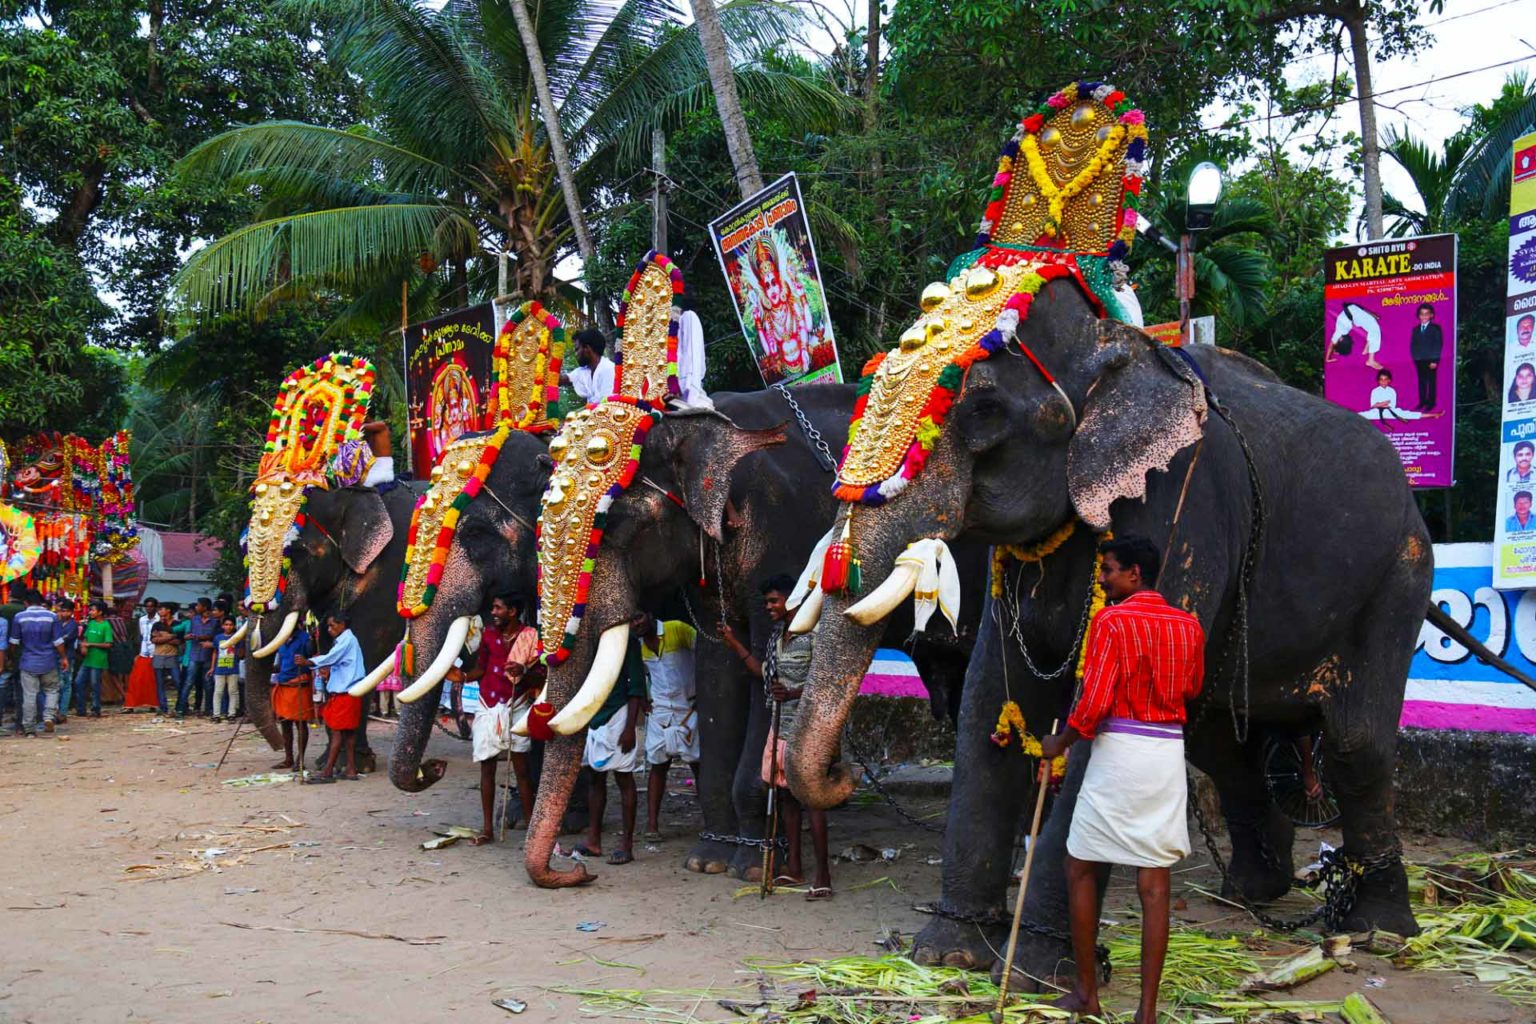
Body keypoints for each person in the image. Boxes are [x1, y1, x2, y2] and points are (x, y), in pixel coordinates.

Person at [1039, 536, 1206, 1024]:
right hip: (1165, 754)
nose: (1103, 579)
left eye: (1109, 571)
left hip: (1121, 754)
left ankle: (1087, 994)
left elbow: (1093, 702)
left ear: (1134, 574)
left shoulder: (1111, 620)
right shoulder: (1189, 625)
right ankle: (1147, 1012)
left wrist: (1060, 744)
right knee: (1154, 882)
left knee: (1079, 866)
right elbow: (1192, 688)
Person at [720, 574, 832, 898]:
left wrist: (794, 693)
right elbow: (763, 671)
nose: (768, 607)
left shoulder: (813, 634)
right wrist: (733, 642)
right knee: (787, 797)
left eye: (773, 601)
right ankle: (794, 867)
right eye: (766, 602)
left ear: (792, 600)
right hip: (780, 725)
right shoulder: (778, 636)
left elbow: (825, 681)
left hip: (808, 728)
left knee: (812, 799)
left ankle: (823, 874)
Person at [465, 595, 539, 844]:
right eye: (493, 607)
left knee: (521, 770)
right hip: (488, 705)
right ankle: (487, 829)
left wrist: (525, 672)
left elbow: (540, 674)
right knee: (487, 767)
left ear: (513, 611)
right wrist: (461, 676)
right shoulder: (487, 636)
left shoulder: (528, 636)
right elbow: (481, 669)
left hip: (515, 704)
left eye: (498, 608)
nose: (493, 612)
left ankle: (531, 826)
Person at [577, 631, 648, 865]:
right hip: (594, 716)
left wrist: (629, 728)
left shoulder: (627, 642)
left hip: (619, 716)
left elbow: (636, 689)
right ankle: (593, 840)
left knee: (624, 779)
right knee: (595, 779)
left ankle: (626, 845)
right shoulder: (590, 642)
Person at [637, 611, 700, 843]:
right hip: (660, 710)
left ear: (650, 614)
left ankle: (709, 821)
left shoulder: (677, 629)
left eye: (639, 618)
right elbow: (639, 675)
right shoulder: (639, 645)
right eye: (631, 621)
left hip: (690, 706)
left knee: (697, 764)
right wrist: (645, 702)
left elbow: (703, 654)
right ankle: (652, 824)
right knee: (658, 765)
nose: (636, 624)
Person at [299, 613, 364, 782]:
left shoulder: (347, 641)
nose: (329, 630)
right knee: (348, 733)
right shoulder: (347, 641)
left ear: (342, 624)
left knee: (336, 732)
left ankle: (328, 771)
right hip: (349, 692)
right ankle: (351, 769)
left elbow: (331, 657)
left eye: (332, 625)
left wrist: (309, 662)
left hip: (344, 694)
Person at [10, 589, 69, 736]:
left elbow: (14, 642)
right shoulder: (52, 616)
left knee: (29, 695)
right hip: (48, 661)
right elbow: (58, 641)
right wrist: (64, 658)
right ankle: (48, 717)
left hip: (28, 661)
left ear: (26, 602)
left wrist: (12, 658)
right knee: (52, 690)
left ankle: (29, 729)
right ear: (41, 601)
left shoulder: (19, 617)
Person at [270, 620, 314, 772]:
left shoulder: (305, 639)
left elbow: (313, 661)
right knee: (285, 724)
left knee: (300, 724)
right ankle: (288, 758)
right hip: (283, 685)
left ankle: (300, 760)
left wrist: (305, 663)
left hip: (298, 686)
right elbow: (281, 664)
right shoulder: (281, 639)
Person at [1360, 369, 1443, 426]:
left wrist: (1380, 404)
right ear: (1378, 381)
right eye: (1381, 379)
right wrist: (1383, 403)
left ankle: (1434, 415)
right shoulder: (1375, 391)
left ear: (1389, 380)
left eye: (1386, 379)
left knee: (1408, 414)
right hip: (1376, 412)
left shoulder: (1392, 391)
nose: (1383, 381)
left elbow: (1391, 406)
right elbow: (1373, 405)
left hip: (1390, 412)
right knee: (1362, 415)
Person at [73, 600, 112, 718]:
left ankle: (96, 709)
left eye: (93, 610)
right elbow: (85, 638)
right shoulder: (90, 623)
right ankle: (81, 709)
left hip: (98, 660)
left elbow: (108, 644)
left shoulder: (106, 626)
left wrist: (91, 645)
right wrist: (83, 646)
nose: (90, 612)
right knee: (78, 682)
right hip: (87, 659)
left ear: (100, 612)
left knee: (95, 685)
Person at [673, 293, 713, 408]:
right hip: (667, 395)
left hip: (687, 394)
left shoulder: (688, 317)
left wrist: (690, 397)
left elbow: (693, 359)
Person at [124, 597, 162, 712]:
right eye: (147, 606)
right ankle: (131, 705)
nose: (149, 608)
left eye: (151, 606)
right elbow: (141, 636)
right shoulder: (142, 620)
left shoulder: (159, 619)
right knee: (135, 679)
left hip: (156, 652)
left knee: (154, 680)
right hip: (143, 653)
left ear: (155, 607)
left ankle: (154, 704)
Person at [185, 598, 218, 716]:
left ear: (204, 607)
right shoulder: (194, 619)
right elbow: (189, 634)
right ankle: (181, 708)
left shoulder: (215, 621)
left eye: (198, 605)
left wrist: (199, 637)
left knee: (208, 684)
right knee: (189, 682)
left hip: (208, 656)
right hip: (194, 654)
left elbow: (213, 637)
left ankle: (208, 709)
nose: (196, 607)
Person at [565, 329, 616, 404]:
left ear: (587, 348)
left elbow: (608, 406)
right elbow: (561, 379)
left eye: (577, 349)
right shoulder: (584, 371)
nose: (575, 354)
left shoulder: (608, 369)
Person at [1409, 303, 1444, 411]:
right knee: (1422, 382)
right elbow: (1413, 344)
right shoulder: (1415, 329)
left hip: (1431, 360)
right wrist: (1415, 357)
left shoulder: (1435, 329)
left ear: (1431, 315)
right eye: (1422, 314)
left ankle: (1431, 403)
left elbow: (1438, 344)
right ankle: (1422, 402)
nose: (1424, 316)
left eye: (1426, 314)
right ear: (1418, 316)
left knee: (1431, 381)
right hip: (1419, 360)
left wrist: (1435, 360)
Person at [1328, 301, 1382, 369]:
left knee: (1373, 328)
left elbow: (1330, 346)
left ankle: (1367, 349)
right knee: (1374, 328)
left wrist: (1328, 358)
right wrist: (1372, 315)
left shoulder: (1339, 332)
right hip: (1353, 313)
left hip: (1352, 312)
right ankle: (1370, 360)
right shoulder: (1340, 332)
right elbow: (1331, 346)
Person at [149, 603, 181, 715]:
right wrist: (170, 636)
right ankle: (163, 707)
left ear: (168, 610)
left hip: (172, 655)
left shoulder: (177, 624)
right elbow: (153, 640)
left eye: (161, 609)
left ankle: (180, 706)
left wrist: (161, 637)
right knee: (159, 683)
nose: (159, 611)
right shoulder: (156, 624)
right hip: (158, 655)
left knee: (178, 681)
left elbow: (179, 641)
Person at [211, 616, 243, 722]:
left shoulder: (237, 637)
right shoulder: (218, 638)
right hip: (219, 668)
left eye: (230, 625)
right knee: (218, 692)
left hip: (233, 668)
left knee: (232, 692)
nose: (228, 627)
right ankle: (216, 714)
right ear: (222, 626)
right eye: (226, 624)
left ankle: (231, 714)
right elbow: (215, 652)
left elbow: (240, 653)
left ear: (234, 626)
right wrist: (212, 667)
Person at [54, 599, 79, 725]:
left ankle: (62, 713)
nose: (63, 614)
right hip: (57, 657)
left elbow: (62, 640)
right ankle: (57, 711)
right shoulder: (57, 623)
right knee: (58, 685)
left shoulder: (73, 625)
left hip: (67, 657)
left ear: (71, 612)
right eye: (61, 611)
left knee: (65, 685)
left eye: (66, 611)